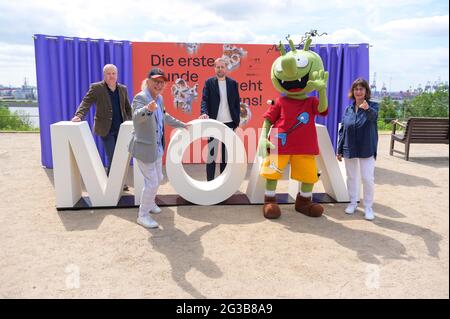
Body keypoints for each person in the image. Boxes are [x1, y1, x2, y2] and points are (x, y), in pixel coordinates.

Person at [129, 68, 187, 229]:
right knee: (152, 182)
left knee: (159, 177)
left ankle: (150, 203)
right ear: (148, 82)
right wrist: (148, 109)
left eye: (162, 82)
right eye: (156, 81)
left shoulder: (159, 98)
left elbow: (165, 116)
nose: (159, 84)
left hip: (156, 148)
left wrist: (181, 124)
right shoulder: (140, 97)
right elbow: (136, 117)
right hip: (144, 148)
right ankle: (143, 215)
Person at [71, 64, 132, 190]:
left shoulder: (123, 89)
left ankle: (113, 181)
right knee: (113, 155)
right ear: (104, 75)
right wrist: (79, 115)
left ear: (117, 75)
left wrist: (131, 122)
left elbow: (127, 107)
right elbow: (86, 102)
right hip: (105, 129)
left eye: (113, 73)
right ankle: (116, 183)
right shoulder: (97, 88)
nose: (111, 76)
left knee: (118, 156)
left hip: (121, 128)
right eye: (108, 74)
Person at [337, 78, 379, 221]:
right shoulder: (348, 109)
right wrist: (339, 148)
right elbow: (343, 129)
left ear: (366, 91)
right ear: (352, 92)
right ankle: (353, 202)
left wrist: (367, 109)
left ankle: (368, 207)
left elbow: (374, 118)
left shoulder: (373, 106)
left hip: (367, 147)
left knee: (367, 178)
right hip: (350, 147)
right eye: (356, 89)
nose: (358, 91)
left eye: (361, 89)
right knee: (352, 178)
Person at [199, 58, 241, 181]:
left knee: (225, 156)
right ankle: (210, 183)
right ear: (214, 68)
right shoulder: (209, 83)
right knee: (211, 154)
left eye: (222, 67)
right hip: (213, 123)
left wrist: (236, 122)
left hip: (229, 124)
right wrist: (204, 113)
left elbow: (236, 103)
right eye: (218, 67)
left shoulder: (233, 84)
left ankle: (222, 183)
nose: (220, 69)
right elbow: (204, 100)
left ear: (226, 68)